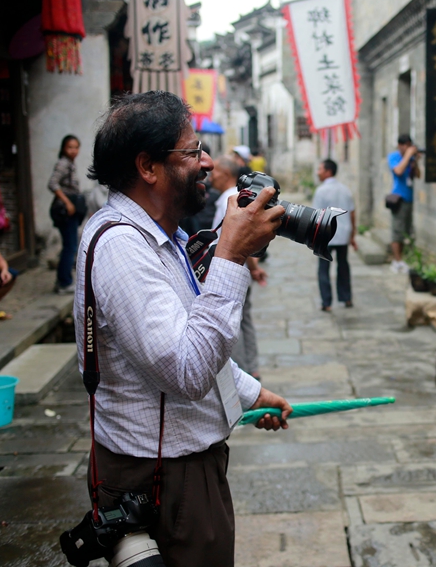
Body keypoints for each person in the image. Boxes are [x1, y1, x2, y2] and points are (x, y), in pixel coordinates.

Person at [74, 91, 291, 566]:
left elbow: (192, 335)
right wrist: (231, 254)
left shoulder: (162, 236)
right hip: (163, 479)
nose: (207, 163)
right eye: (193, 152)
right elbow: (187, 371)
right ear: (148, 167)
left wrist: (251, 392)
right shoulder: (122, 248)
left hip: (181, 471)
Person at [211, 155, 265, 379]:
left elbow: (241, 241)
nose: (210, 175)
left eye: (215, 171)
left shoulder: (231, 201)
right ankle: (252, 366)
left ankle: (243, 371)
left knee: (235, 324)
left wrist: (253, 267)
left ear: (225, 174)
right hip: (241, 268)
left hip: (234, 270)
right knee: (245, 320)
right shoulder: (234, 197)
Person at [312, 159, 357, 311]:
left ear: (328, 172)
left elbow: (316, 216)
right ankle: (346, 298)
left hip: (325, 235)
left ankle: (326, 302)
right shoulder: (345, 189)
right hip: (343, 233)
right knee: (343, 266)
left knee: (323, 268)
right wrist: (352, 235)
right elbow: (352, 213)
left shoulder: (321, 191)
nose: (318, 172)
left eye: (320, 169)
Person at [49, 134, 85, 295]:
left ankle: (63, 280)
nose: (73, 151)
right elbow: (52, 183)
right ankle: (64, 282)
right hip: (65, 210)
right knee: (70, 246)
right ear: (64, 148)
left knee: (70, 245)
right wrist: (67, 202)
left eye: (76, 147)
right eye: (70, 147)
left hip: (70, 210)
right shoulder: (63, 163)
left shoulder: (70, 164)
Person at [387, 134, 420, 273]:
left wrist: (415, 161)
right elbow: (399, 171)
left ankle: (401, 260)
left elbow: (418, 175)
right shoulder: (394, 157)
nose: (407, 148)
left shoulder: (410, 158)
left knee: (406, 231)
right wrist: (408, 156)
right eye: (405, 146)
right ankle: (397, 260)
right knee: (397, 231)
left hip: (409, 198)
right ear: (400, 145)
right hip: (398, 198)